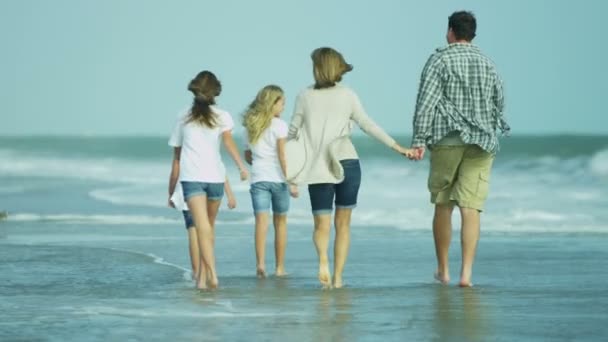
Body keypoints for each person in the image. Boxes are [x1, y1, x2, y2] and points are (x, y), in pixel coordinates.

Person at [288, 47, 414, 288]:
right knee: (343, 224)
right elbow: (368, 125)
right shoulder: (348, 95)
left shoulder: (304, 96)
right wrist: (398, 147)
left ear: (319, 68)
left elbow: (292, 132)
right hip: (348, 162)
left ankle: (323, 259)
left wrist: (284, 163)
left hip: (318, 168)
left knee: (321, 224)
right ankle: (337, 279)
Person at [409, 11, 510, 287]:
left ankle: (443, 270)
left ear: (450, 31)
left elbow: (425, 103)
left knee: (443, 204)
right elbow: (499, 102)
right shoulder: (488, 63)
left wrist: (419, 140)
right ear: (472, 34)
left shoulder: (439, 59)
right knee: (471, 207)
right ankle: (466, 274)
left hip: (447, 140)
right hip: (483, 142)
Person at [168, 70, 248, 290]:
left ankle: (211, 273)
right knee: (207, 229)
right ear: (215, 92)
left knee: (203, 228)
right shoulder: (222, 115)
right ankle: (202, 281)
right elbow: (229, 144)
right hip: (215, 179)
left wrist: (171, 189)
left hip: (194, 179)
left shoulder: (184, 116)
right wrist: (241, 166)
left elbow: (176, 157)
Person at [242, 85, 298, 279]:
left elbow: (248, 155)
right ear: (272, 103)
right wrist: (291, 181)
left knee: (261, 223)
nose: (283, 106)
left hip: (258, 179)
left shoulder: (250, 125)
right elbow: (282, 156)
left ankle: (260, 265)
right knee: (280, 223)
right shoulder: (280, 125)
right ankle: (280, 268)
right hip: (279, 181)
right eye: (281, 102)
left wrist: (259, 160)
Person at [167, 163, 236, 281]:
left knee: (193, 231)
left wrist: (171, 192)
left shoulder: (186, 146)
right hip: (211, 187)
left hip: (190, 190)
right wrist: (230, 194)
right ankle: (208, 272)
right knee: (208, 229)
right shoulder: (210, 145)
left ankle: (197, 272)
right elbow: (219, 168)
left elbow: (176, 168)